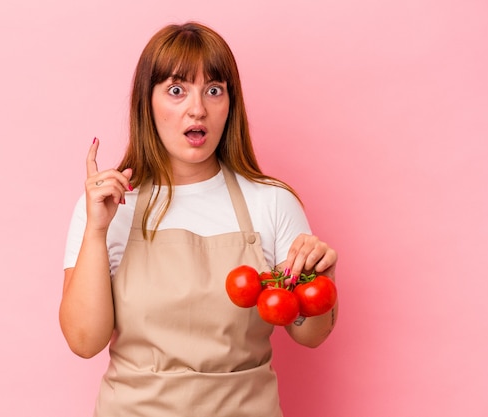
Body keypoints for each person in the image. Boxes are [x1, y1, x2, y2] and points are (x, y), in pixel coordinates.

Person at [60, 21, 338, 417]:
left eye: (213, 90)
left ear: (230, 103)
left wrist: (323, 275)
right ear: (146, 103)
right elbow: (85, 341)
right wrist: (96, 230)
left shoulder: (273, 202)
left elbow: (311, 335)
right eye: (177, 90)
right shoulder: (107, 207)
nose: (198, 108)